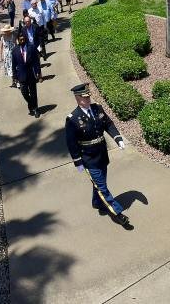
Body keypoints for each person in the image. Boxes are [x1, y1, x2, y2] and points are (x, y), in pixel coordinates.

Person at [65, 83, 133, 229]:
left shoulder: (98, 109)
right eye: (84, 97)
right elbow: (71, 143)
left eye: (88, 96)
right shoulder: (73, 118)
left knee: (100, 183)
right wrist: (78, 162)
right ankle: (118, 213)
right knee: (102, 187)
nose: (88, 99)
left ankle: (97, 203)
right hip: (88, 158)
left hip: (102, 154)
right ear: (77, 98)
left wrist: (118, 138)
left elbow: (108, 124)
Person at [11, 33, 42, 118]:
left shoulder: (31, 47)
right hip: (21, 76)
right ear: (18, 40)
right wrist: (14, 77)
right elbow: (13, 65)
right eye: (20, 40)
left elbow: (36, 61)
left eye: (23, 39)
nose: (22, 41)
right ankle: (30, 103)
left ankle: (36, 109)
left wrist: (38, 72)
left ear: (25, 39)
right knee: (24, 92)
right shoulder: (14, 50)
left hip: (31, 74)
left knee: (33, 93)